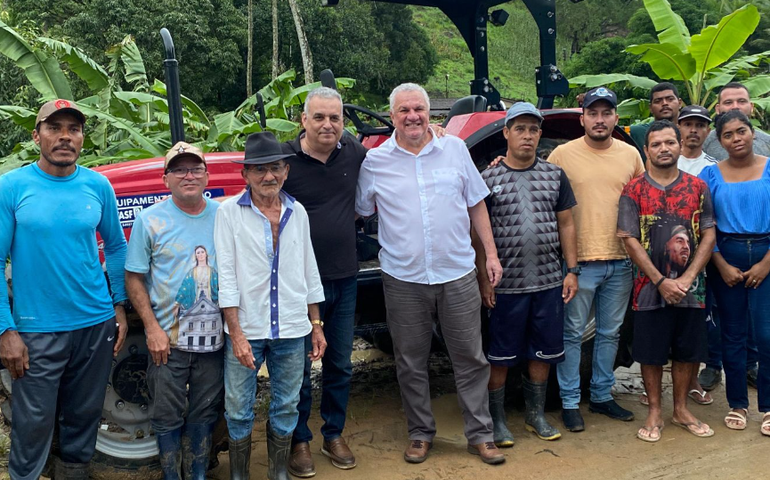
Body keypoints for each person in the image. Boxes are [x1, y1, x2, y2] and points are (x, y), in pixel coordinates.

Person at [356, 83, 505, 465]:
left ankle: (480, 434)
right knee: (410, 360)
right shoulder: (375, 161)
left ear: (429, 113)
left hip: (456, 273)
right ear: (392, 116)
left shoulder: (454, 149)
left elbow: (476, 204)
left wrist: (490, 255)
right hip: (403, 278)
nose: (413, 116)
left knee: (470, 357)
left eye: (419, 109)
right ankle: (420, 433)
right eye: (404, 110)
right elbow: (361, 210)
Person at [0, 99, 128, 480]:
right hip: (37, 330)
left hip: (95, 324)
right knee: (32, 423)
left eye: (73, 129)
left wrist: (119, 304)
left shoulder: (97, 185)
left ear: (82, 138)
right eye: (54, 128)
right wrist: (6, 330)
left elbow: (116, 246)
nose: (64, 137)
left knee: (84, 417)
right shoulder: (12, 187)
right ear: (36, 135)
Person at [215, 132, 328, 480]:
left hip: (292, 327)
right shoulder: (228, 213)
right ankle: (239, 475)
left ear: (286, 171)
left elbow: (308, 269)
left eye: (276, 168)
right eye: (260, 169)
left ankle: (278, 472)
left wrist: (316, 324)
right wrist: (236, 334)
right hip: (246, 327)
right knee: (238, 408)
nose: (269, 176)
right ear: (245, 174)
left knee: (287, 404)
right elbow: (226, 276)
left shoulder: (298, 212)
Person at [476, 102, 578, 447]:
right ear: (506, 133)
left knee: (543, 352)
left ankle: (536, 415)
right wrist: (483, 280)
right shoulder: (488, 179)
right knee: (500, 355)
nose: (527, 136)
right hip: (506, 286)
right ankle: (497, 420)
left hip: (548, 282)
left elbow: (566, 224)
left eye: (533, 129)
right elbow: (478, 235)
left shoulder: (554, 175)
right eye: (520, 129)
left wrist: (572, 270)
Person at [280, 87, 367, 476]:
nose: (327, 125)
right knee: (297, 369)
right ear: (304, 120)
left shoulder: (354, 153)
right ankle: (299, 440)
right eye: (319, 117)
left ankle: (334, 433)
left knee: (340, 364)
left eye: (335, 118)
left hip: (344, 276)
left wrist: (436, 131)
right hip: (297, 283)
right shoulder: (284, 161)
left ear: (343, 122)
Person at [548, 86, 645, 432]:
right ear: (583, 118)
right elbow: (541, 189)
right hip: (579, 263)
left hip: (621, 261)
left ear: (616, 118)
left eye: (606, 113)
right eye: (593, 113)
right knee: (572, 333)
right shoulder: (562, 154)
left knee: (609, 333)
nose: (599, 120)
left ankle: (602, 395)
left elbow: (642, 201)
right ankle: (569, 402)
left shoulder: (630, 155)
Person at [125, 142, 224, 480]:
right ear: (165, 179)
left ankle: (197, 473)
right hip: (168, 341)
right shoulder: (149, 220)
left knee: (205, 412)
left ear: (207, 176)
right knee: (166, 414)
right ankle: (171, 474)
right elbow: (134, 277)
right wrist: (151, 328)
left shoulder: (223, 216)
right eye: (179, 170)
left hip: (213, 340)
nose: (188, 176)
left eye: (195, 169)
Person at [618, 120, 716, 442]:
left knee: (688, 350)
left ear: (680, 146)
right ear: (646, 150)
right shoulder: (633, 190)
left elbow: (708, 234)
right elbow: (629, 238)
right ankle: (655, 411)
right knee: (651, 352)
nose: (664, 149)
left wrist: (687, 277)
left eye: (669, 142)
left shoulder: (698, 187)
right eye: (656, 144)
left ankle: (681, 410)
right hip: (648, 288)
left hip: (692, 289)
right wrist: (660, 280)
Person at [698, 110, 770, 437]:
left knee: (766, 335)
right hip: (726, 254)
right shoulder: (710, 175)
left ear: (752, 132)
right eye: (728, 135)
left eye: (741, 131)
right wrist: (720, 263)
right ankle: (737, 403)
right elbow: (704, 224)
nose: (736, 139)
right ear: (720, 141)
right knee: (733, 333)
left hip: (766, 253)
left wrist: (766, 263)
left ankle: (767, 406)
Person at [703, 82, 770, 160]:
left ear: (751, 107)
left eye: (742, 101)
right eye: (728, 102)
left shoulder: (767, 143)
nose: (735, 107)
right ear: (717, 109)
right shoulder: (704, 143)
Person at [629, 82, 681, 157]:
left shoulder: (691, 132)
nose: (664, 103)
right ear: (650, 108)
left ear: (680, 103)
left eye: (670, 99)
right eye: (658, 101)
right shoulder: (638, 132)